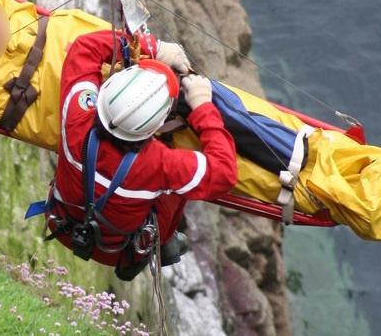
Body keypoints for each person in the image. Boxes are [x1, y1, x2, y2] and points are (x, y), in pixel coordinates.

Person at [41, 30, 238, 280]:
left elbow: (84, 47)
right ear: (155, 128)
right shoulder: (160, 163)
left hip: (63, 223)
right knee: (175, 189)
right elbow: (224, 172)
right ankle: (161, 241)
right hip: (118, 251)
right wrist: (202, 106)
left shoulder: (76, 121)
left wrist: (150, 47)